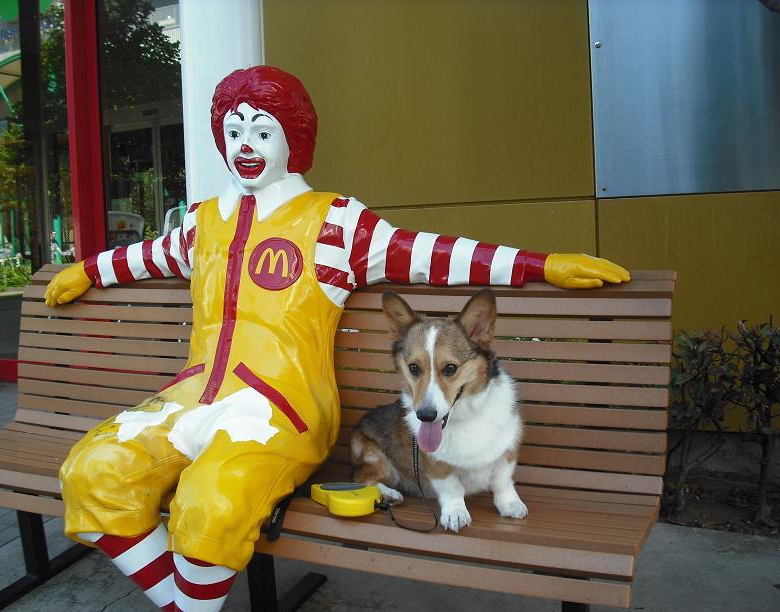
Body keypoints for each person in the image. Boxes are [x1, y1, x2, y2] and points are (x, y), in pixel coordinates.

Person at [45, 66, 629, 611]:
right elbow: (146, 255)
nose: (246, 145)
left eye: (262, 131)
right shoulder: (200, 223)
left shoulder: (335, 221)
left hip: (279, 408)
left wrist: (538, 264)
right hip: (191, 397)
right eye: (234, 131)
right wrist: (88, 270)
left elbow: (431, 253)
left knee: (210, 501)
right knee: (91, 471)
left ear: (293, 140)